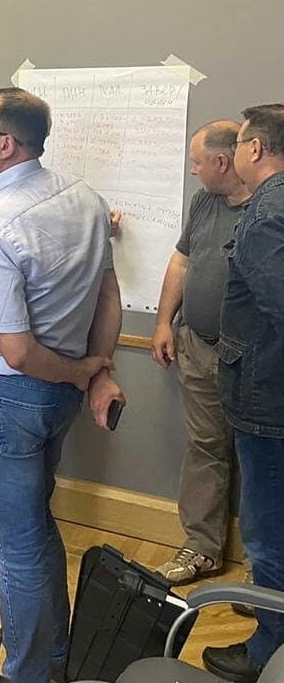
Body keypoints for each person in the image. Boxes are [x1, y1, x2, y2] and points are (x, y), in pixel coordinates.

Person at [0, 87, 125, 683]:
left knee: (16, 546)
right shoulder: (84, 197)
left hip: (5, 396)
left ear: (5, 144)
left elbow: (19, 351)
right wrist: (96, 368)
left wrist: (83, 371)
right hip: (56, 398)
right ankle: (54, 657)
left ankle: (23, 672)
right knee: (34, 526)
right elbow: (108, 291)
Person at [201, 104, 284, 683]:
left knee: (268, 531)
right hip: (269, 392)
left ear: (254, 149)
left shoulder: (267, 214)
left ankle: (267, 654)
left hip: (268, 399)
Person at [150, 121, 250, 585]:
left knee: (263, 458)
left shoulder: (269, 207)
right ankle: (202, 549)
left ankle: (265, 568)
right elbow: (182, 260)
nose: (193, 171)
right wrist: (163, 322)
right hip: (198, 346)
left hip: (252, 360)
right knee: (206, 448)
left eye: (197, 162)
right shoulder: (205, 201)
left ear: (221, 161)